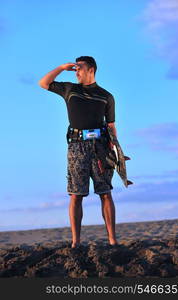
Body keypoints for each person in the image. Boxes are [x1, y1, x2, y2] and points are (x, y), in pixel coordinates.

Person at [38, 56, 118, 248]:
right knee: (76, 194)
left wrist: (115, 150)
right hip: (76, 147)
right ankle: (76, 242)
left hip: (101, 147)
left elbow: (111, 126)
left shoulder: (106, 96)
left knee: (105, 193)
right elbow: (43, 83)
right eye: (74, 69)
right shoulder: (70, 90)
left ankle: (112, 240)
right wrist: (60, 67)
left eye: (79, 68)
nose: (76, 72)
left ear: (91, 69)